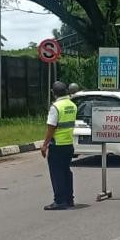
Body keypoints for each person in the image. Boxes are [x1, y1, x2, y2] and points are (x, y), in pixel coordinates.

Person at [41, 81, 77, 210]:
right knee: (66, 171)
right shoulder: (72, 105)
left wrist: (45, 145)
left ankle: (60, 200)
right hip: (68, 144)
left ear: (53, 93)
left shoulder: (56, 107)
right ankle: (69, 199)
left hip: (57, 145)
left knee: (57, 173)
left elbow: (51, 127)